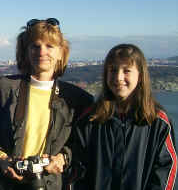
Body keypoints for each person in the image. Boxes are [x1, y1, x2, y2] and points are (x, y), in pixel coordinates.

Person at [0, 18, 94, 190]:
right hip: (5, 183)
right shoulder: (1, 88)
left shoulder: (77, 98)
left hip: (50, 183)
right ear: (26, 51)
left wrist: (64, 158)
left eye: (49, 46)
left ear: (61, 52)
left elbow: (85, 142)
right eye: (35, 46)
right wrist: (2, 159)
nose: (42, 52)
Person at [72, 44, 177, 190]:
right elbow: (78, 170)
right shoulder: (90, 119)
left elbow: (166, 169)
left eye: (126, 71)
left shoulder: (157, 121)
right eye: (113, 70)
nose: (118, 77)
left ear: (140, 76)